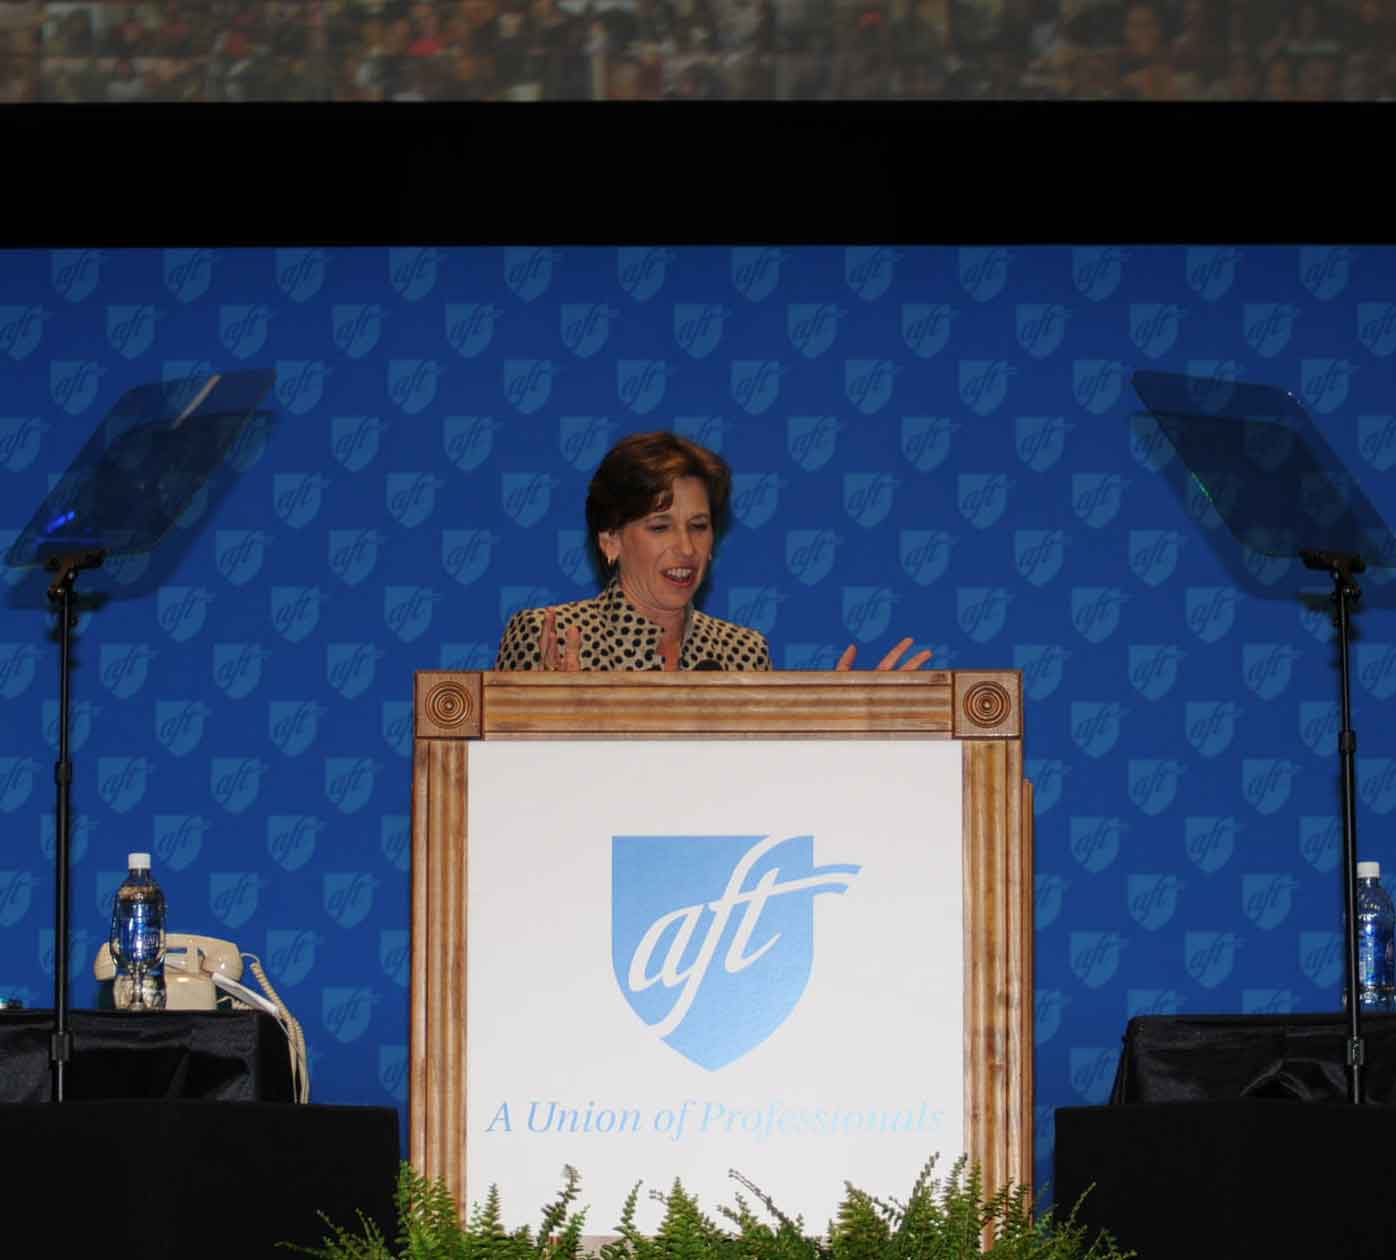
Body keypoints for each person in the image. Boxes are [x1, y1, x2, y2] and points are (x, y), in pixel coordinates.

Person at [494, 431, 931, 673]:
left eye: (699, 527)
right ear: (610, 540)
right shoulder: (548, 636)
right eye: (660, 526)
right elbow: (500, 789)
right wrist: (542, 722)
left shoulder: (741, 652)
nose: (686, 548)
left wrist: (841, 729)